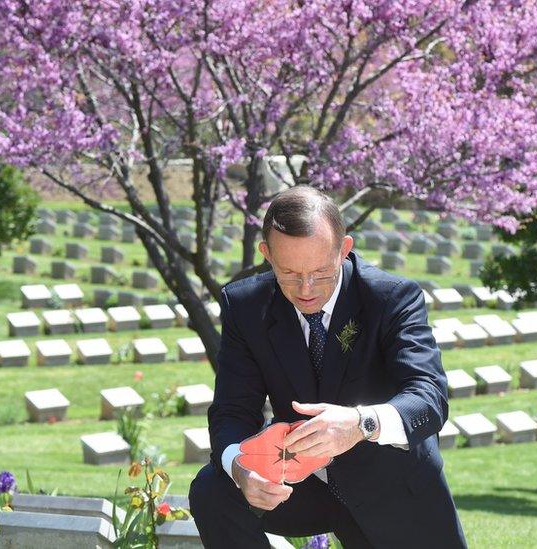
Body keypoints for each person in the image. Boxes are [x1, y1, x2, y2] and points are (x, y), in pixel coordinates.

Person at [189, 186, 466, 548]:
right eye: (289, 272)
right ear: (266, 254)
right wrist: (240, 467)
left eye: (321, 272)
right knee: (213, 488)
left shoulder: (392, 297)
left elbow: (429, 398)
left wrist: (360, 423)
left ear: (344, 249)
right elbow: (232, 409)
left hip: (393, 483)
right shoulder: (245, 305)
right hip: (298, 483)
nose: (305, 289)